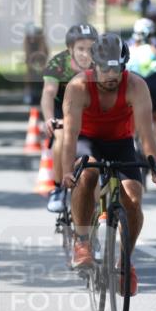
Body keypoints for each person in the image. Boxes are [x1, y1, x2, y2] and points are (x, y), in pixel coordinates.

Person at [60, 33, 156, 294]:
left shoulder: (136, 86)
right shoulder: (77, 87)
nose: (111, 75)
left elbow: (146, 134)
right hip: (88, 141)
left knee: (133, 196)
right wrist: (67, 171)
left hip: (120, 142)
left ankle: (126, 263)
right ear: (94, 66)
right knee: (86, 175)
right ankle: (83, 241)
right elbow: (70, 134)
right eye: (105, 69)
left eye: (117, 69)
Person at [40, 23, 98, 213]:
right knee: (62, 139)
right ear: (70, 49)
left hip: (87, 109)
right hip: (61, 110)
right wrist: (49, 119)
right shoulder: (58, 64)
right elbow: (48, 94)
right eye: (80, 49)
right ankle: (58, 189)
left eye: (90, 49)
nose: (85, 54)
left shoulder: (100, 64)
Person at [127, 17, 156, 145]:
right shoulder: (153, 49)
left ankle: (133, 140)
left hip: (134, 86)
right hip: (154, 83)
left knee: (132, 115)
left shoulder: (128, 50)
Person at [23, 22, 49, 105]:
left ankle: (44, 93)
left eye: (34, 37)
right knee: (29, 72)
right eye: (30, 37)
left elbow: (42, 55)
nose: (32, 39)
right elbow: (28, 57)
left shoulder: (41, 41)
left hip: (41, 56)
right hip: (32, 57)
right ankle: (28, 92)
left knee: (42, 71)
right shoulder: (27, 41)